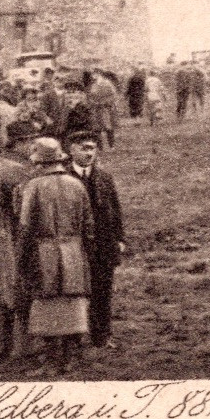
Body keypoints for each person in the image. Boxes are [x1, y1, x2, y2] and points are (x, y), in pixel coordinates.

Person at [15, 137, 95, 370]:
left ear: (39, 163)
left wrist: (22, 258)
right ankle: (70, 358)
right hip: (73, 252)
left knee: (46, 303)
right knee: (72, 302)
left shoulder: (34, 187)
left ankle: (51, 359)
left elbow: (25, 227)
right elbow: (88, 225)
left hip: (44, 253)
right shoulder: (76, 185)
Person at [65, 130, 125, 349]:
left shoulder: (104, 176)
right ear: (71, 150)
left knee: (103, 290)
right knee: (75, 290)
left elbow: (115, 210)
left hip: (102, 243)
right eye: (83, 148)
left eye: (92, 148)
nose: (89, 153)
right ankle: (75, 335)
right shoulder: (64, 177)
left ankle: (102, 335)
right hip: (75, 243)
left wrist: (119, 238)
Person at [0, 122, 37, 363]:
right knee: (22, 291)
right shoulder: (18, 170)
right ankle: (23, 350)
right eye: (30, 142)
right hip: (15, 235)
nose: (33, 147)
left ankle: (1, 349)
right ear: (19, 142)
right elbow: (23, 211)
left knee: (4, 297)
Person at [87, 71, 120, 149]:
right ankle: (100, 147)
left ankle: (111, 146)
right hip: (95, 108)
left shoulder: (107, 83)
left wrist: (105, 102)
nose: (93, 76)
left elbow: (113, 95)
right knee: (97, 128)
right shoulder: (93, 85)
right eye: (93, 74)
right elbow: (90, 96)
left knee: (108, 127)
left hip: (105, 108)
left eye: (95, 73)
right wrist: (92, 102)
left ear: (100, 74)